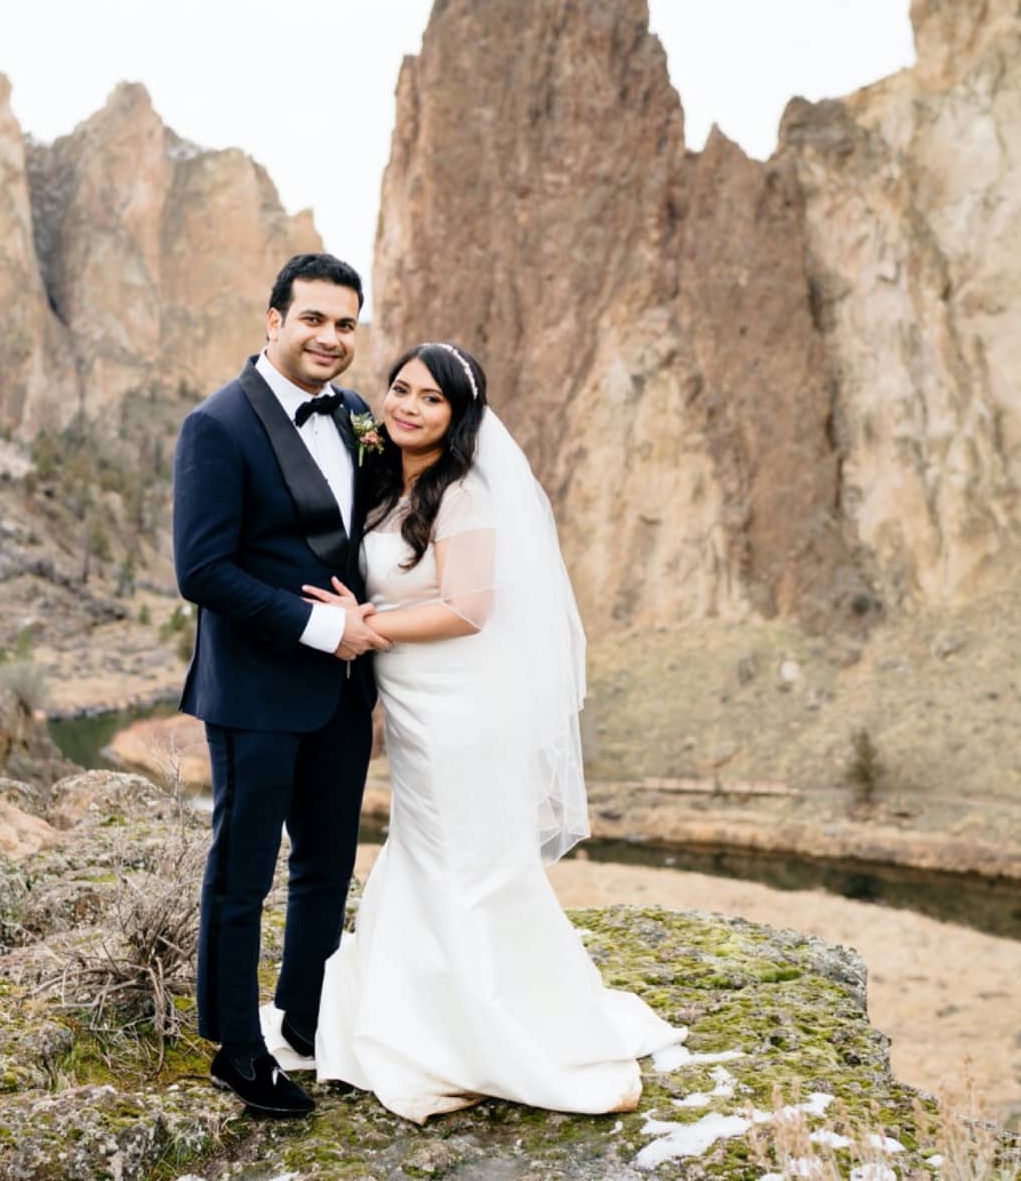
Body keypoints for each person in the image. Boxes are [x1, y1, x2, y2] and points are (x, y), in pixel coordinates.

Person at [298, 342, 685, 1123]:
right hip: (410, 704)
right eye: (400, 390)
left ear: (458, 416)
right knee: (427, 848)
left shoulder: (462, 494)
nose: (407, 406)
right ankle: (425, 1012)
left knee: (464, 860)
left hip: (460, 709)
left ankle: (482, 1031)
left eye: (430, 399)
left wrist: (369, 624)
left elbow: (470, 608)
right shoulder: (385, 480)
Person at [171, 253, 388, 1116]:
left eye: (345, 324)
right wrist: (321, 626)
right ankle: (234, 1047)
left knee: (328, 866)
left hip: (342, 691)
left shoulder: (361, 416)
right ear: (273, 321)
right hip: (257, 692)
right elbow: (203, 569)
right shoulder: (218, 425)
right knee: (243, 872)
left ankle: (305, 1017)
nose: (330, 338)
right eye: (313, 320)